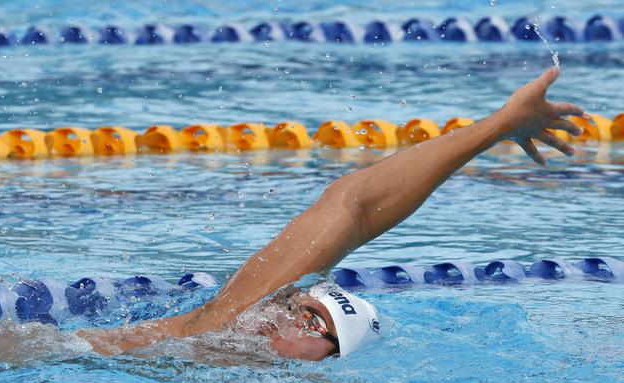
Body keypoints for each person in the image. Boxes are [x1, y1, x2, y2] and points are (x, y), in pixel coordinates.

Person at [73, 67, 583, 361]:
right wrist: (498, 125)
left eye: (316, 324)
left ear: (328, 361)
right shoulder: (219, 322)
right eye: (299, 304)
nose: (289, 316)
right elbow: (355, 206)